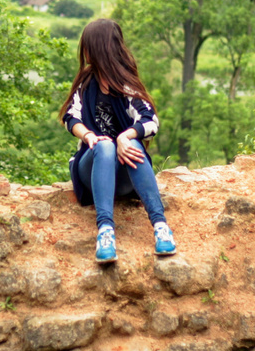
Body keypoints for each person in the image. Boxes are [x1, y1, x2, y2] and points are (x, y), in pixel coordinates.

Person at [59, 18, 176, 263]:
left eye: (87, 44)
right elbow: (70, 117)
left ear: (98, 47)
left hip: (124, 176)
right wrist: (88, 135)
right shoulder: (85, 83)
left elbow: (151, 121)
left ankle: (161, 227)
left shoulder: (126, 86)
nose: (84, 50)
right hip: (91, 169)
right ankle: (105, 232)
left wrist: (126, 135)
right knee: (104, 145)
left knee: (131, 143)